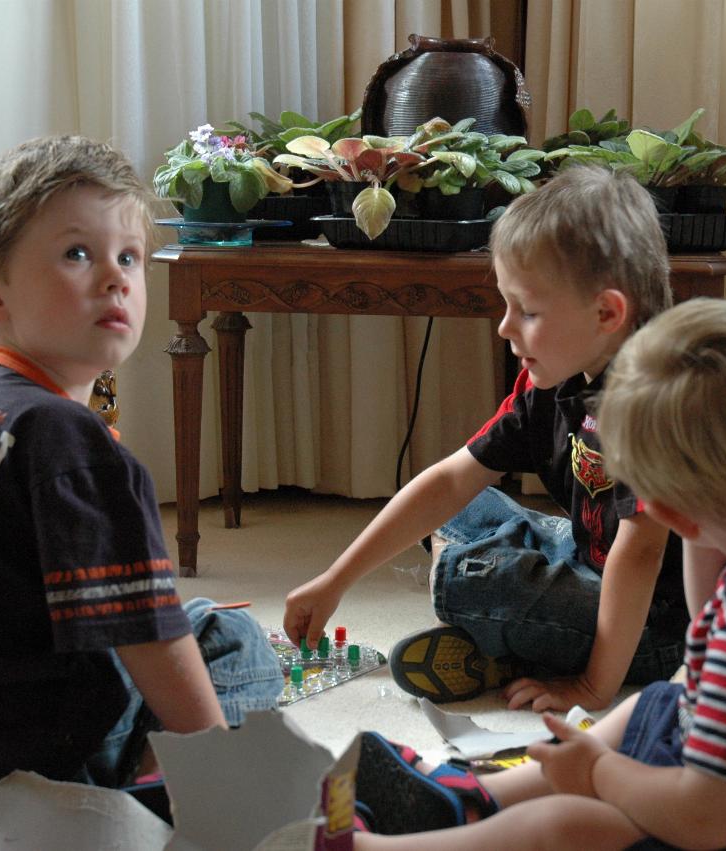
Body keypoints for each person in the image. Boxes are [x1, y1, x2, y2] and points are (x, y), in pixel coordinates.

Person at [335, 299, 726, 850]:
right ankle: (469, 800)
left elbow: (707, 821)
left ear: (676, 516)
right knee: (654, 704)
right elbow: (705, 634)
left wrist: (597, 775)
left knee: (570, 827)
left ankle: (379, 850)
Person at [0, 135, 282, 827]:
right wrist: (227, 787)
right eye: (78, 253)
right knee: (228, 638)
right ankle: (152, 802)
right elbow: (152, 637)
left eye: (128, 257)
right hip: (19, 797)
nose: (116, 278)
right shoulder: (70, 440)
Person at [284, 166, 688, 713]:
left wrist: (594, 689)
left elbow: (639, 556)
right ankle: (507, 625)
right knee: (459, 507)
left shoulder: (651, 406)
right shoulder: (552, 380)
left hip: (655, 623)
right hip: (586, 551)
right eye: (505, 304)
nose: (504, 327)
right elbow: (454, 479)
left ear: (607, 313)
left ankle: (510, 643)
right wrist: (337, 579)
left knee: (477, 581)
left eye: (527, 310)